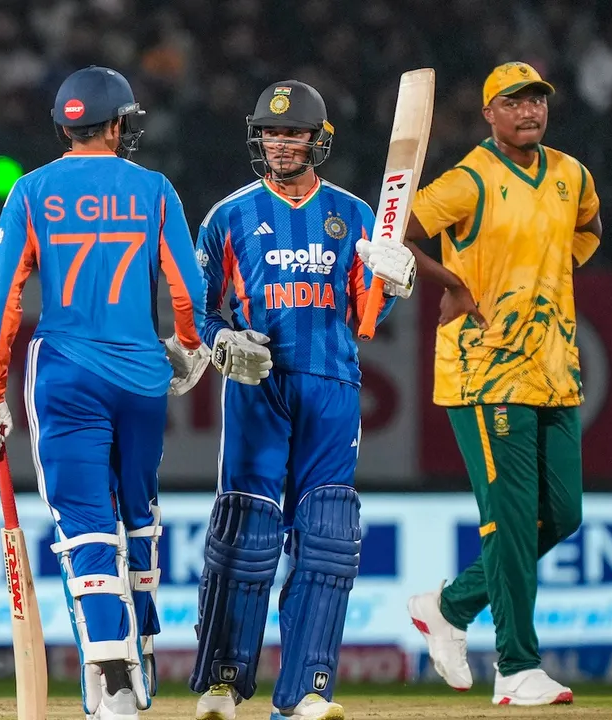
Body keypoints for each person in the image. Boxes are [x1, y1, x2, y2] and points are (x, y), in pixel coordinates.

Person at [0, 65, 207, 720]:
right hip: (144, 374)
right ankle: (143, 643)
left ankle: (109, 662)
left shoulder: (32, 191)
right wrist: (186, 347)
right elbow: (188, 289)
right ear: (119, 124)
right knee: (139, 509)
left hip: (66, 372)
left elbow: (3, 298)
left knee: (84, 520)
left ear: (65, 126)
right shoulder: (153, 189)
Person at [183, 81, 413, 720]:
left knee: (328, 535)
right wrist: (222, 337)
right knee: (245, 533)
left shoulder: (354, 215)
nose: (279, 143)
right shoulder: (228, 216)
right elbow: (192, 311)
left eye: (293, 134)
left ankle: (309, 689)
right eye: (270, 133)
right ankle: (223, 682)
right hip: (257, 385)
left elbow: (367, 312)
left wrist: (394, 279)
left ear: (318, 140)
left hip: (331, 384)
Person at [404, 61, 599, 707]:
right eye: (513, 102)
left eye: (537, 100)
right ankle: (516, 667)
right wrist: (454, 283)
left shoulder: (572, 174)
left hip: (554, 367)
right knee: (511, 520)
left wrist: (545, 268)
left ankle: (449, 606)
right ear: (490, 113)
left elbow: (590, 227)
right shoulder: (469, 179)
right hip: (485, 369)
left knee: (562, 514)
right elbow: (400, 232)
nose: (529, 112)